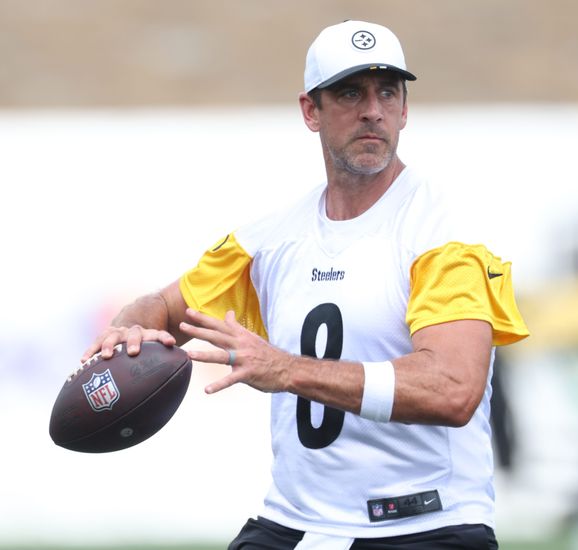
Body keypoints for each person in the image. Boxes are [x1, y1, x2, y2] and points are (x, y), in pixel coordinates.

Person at [81, 20, 529, 550]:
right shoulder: (270, 241)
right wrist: (128, 330)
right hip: (294, 523)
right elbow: (161, 305)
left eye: (388, 92)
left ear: (405, 109)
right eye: (350, 92)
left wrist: (287, 369)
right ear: (310, 111)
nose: (373, 110)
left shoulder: (443, 238)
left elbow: (453, 389)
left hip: (424, 525)